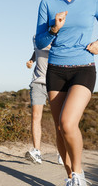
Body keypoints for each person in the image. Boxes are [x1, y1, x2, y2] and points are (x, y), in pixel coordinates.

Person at [35, 0, 98, 186]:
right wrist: (53, 29)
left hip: (83, 68)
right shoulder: (47, 2)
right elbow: (40, 42)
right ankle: (69, 176)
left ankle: (79, 175)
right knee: (60, 128)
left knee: (69, 123)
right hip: (56, 70)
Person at [25, 36, 64, 166]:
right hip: (37, 82)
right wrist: (31, 60)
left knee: (58, 120)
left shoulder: (59, 36)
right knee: (36, 116)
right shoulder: (36, 37)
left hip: (56, 83)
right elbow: (37, 51)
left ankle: (61, 152)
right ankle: (37, 151)